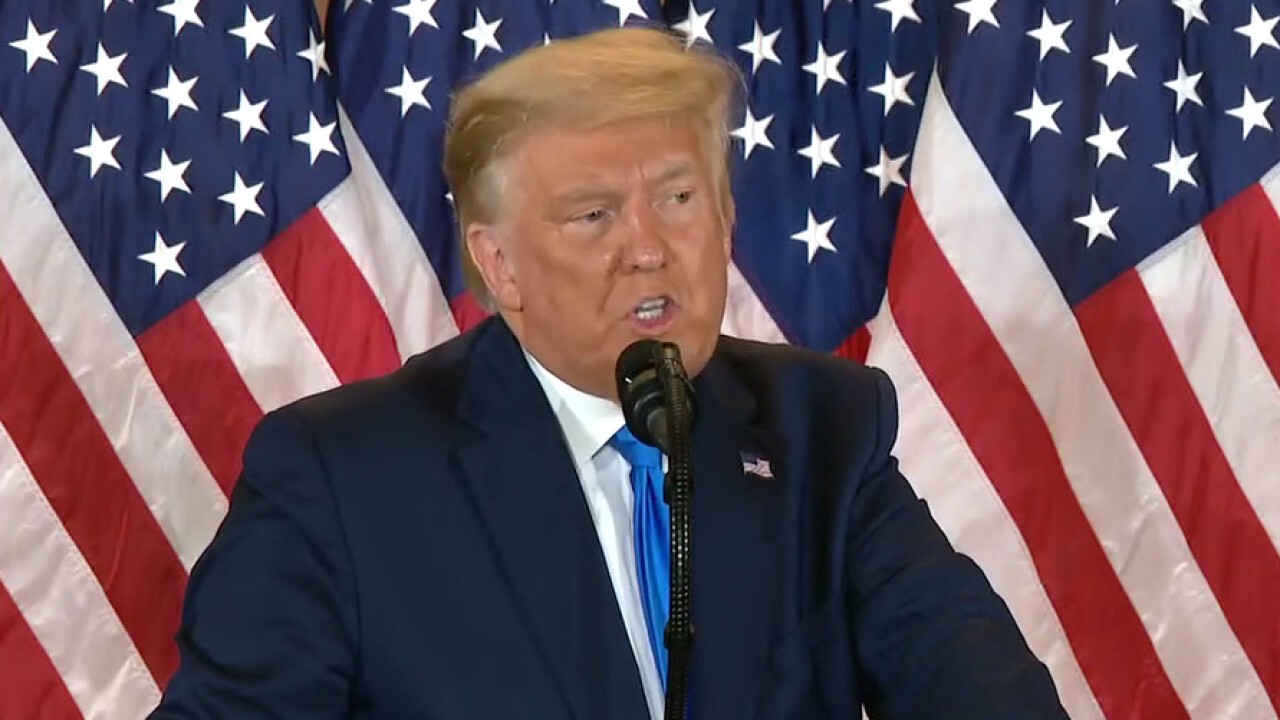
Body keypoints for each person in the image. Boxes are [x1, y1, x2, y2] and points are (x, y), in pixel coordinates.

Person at [151, 26, 1067, 720]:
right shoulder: (341, 480)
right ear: (499, 265)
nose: (648, 249)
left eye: (677, 198)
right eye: (592, 215)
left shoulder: (821, 428)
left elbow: (983, 692)